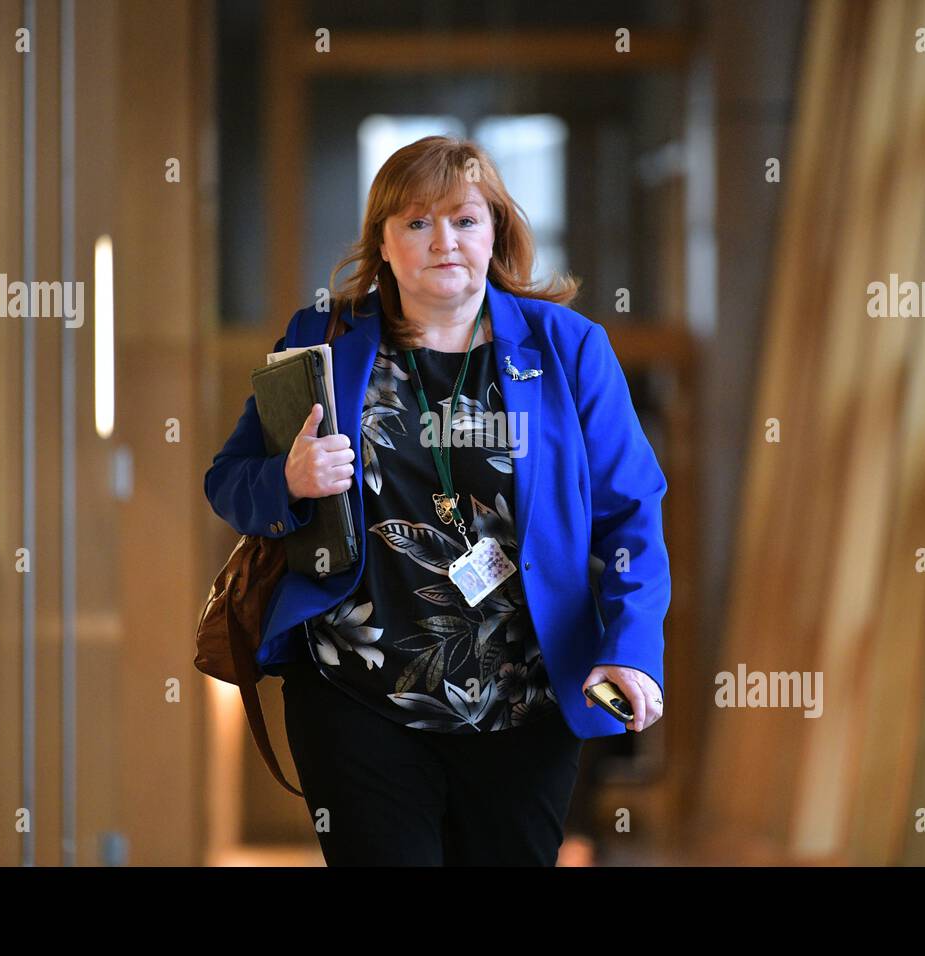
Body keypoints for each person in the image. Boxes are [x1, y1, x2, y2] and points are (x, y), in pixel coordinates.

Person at [203, 135, 671, 866]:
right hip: (355, 693)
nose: (443, 241)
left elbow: (629, 514)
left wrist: (632, 651)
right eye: (417, 223)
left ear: (496, 233)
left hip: (526, 700)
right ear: (383, 245)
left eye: (465, 220)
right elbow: (227, 481)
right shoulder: (320, 341)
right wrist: (286, 482)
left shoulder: (567, 348)